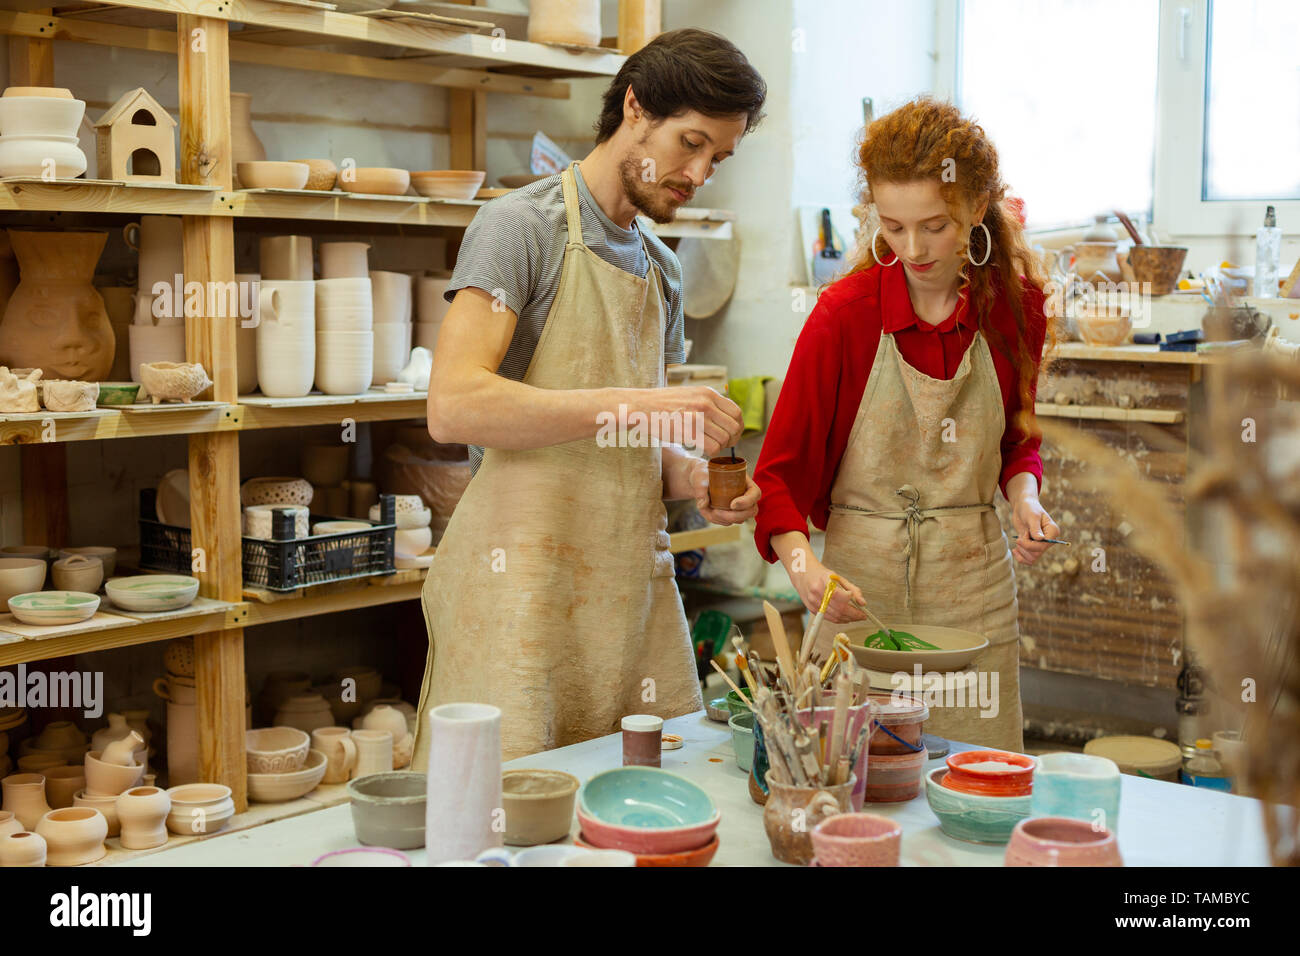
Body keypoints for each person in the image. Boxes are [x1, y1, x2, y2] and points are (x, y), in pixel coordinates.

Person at [412, 29, 768, 765]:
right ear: (635, 107)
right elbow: (453, 406)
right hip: (520, 588)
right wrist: (642, 406)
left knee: (640, 803)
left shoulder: (661, 269)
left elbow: (637, 448)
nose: (700, 173)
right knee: (503, 813)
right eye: (690, 143)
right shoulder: (519, 227)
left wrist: (692, 478)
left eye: (719, 159)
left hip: (623, 594)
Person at [753, 97, 1058, 752]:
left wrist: (1026, 499)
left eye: (935, 226)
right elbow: (777, 479)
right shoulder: (843, 316)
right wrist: (807, 571)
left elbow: (1017, 443)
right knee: (858, 788)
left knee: (978, 790)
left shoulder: (1016, 307)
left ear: (977, 207)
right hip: (862, 599)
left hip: (973, 591)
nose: (913, 249)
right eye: (893, 227)